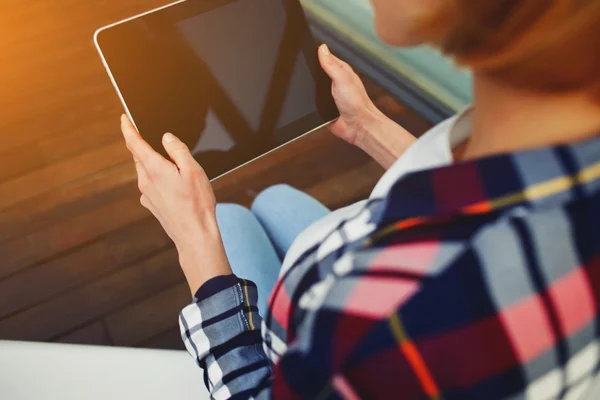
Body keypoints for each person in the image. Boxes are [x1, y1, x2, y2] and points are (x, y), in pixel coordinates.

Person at [119, 0, 600, 398]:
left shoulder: (384, 324)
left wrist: (195, 235)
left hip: (311, 347)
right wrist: (368, 127)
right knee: (275, 200)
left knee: (227, 219)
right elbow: (488, 191)